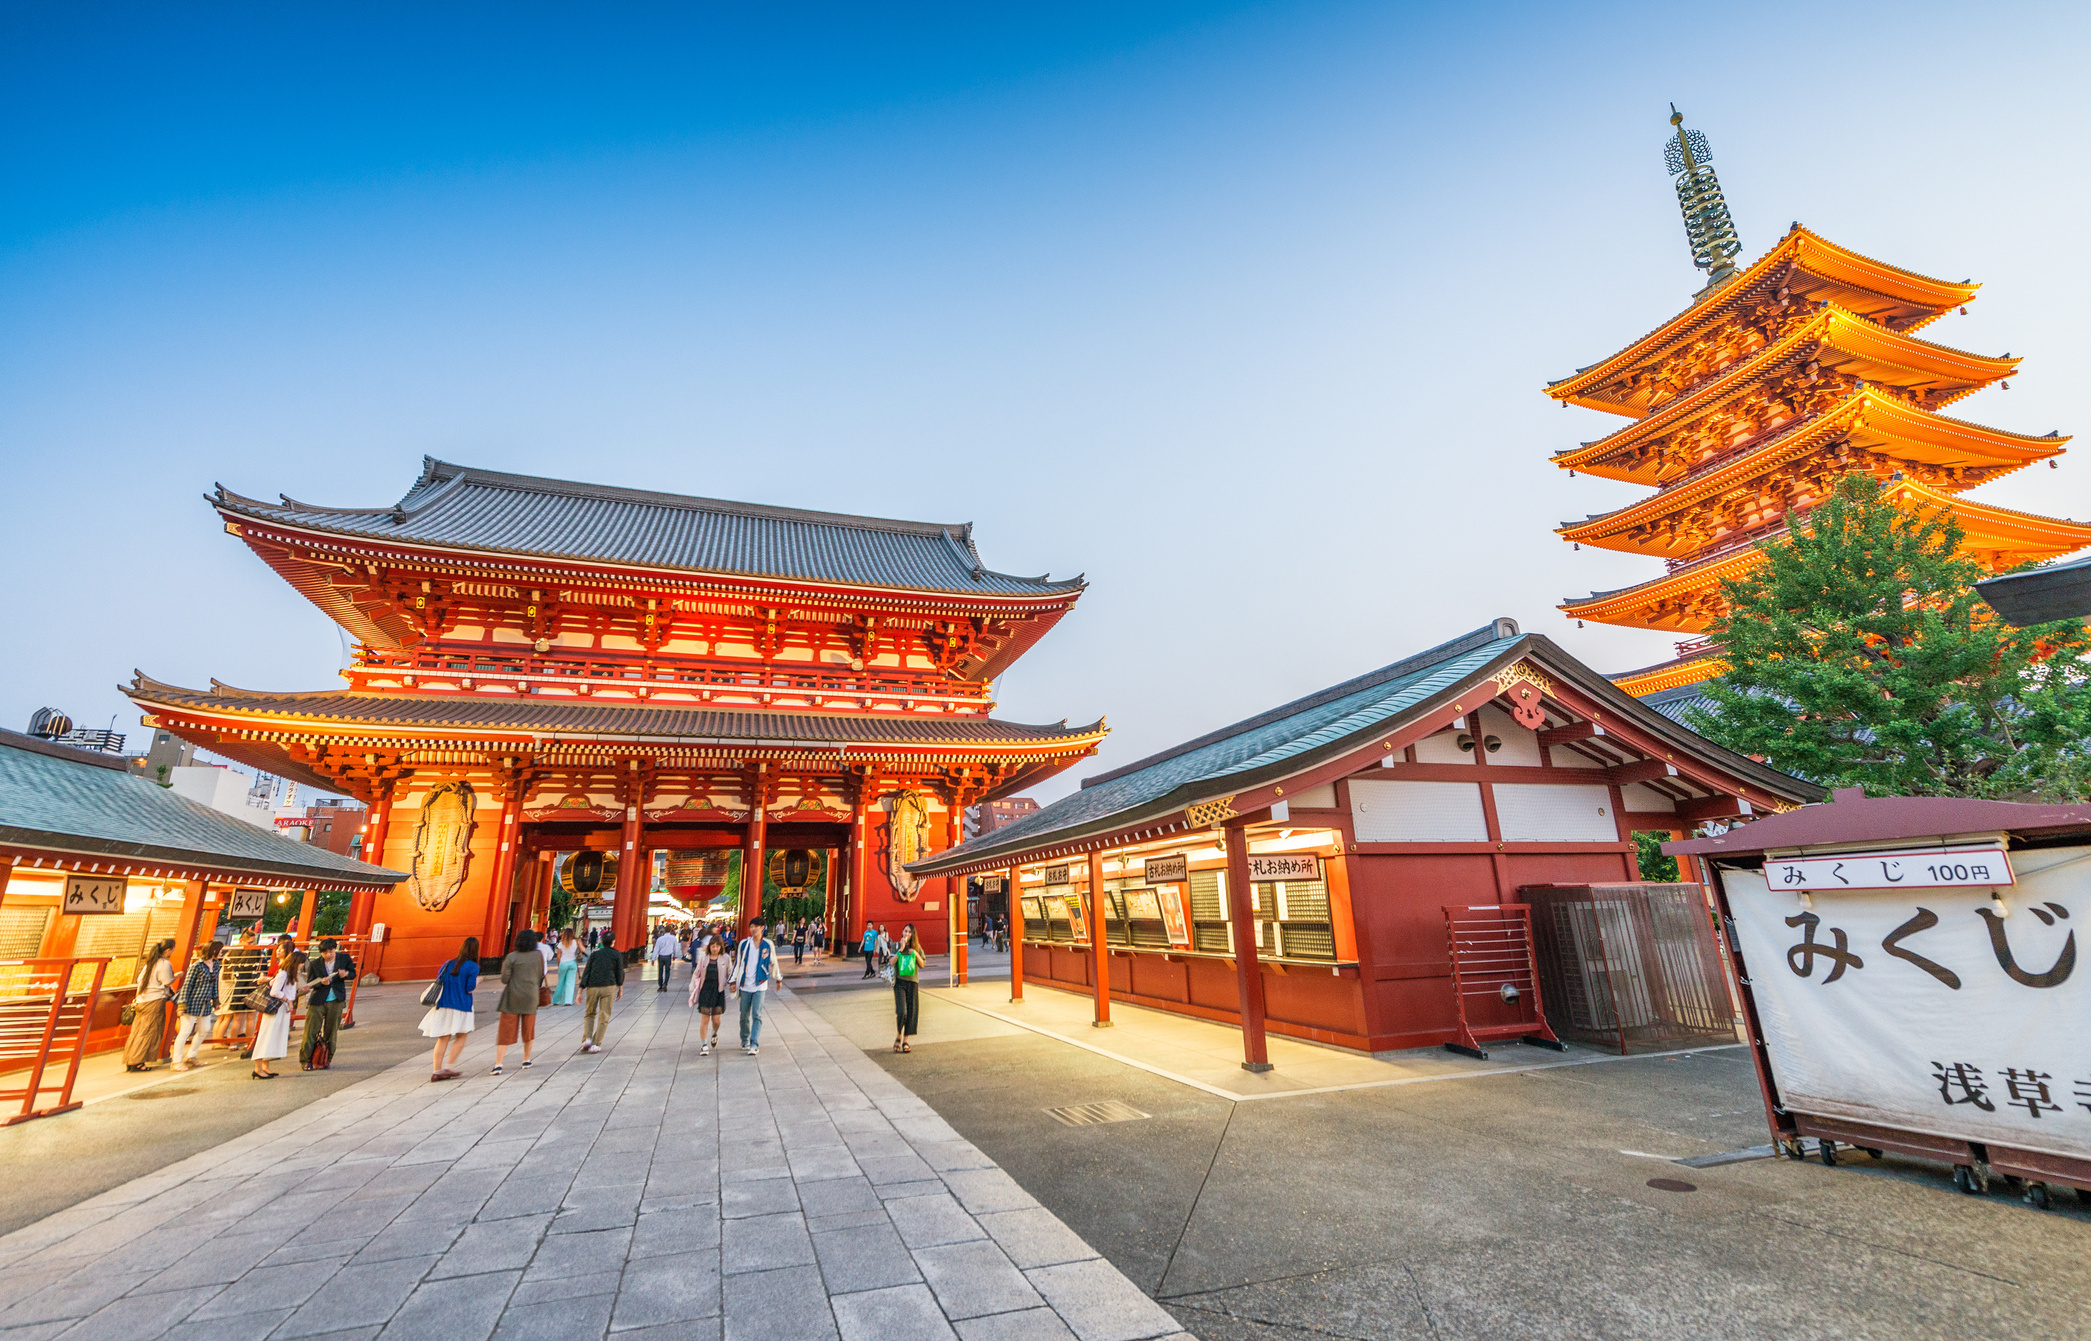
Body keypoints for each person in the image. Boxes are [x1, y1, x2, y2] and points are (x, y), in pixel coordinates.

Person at [420, 936, 480, 1081]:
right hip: (461, 1005)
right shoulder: (473, 966)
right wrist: (479, 980)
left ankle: (436, 1070)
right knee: (461, 1035)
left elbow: (439, 979)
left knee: (443, 1039)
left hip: (443, 1005)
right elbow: (469, 988)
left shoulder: (447, 963)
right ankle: (449, 1066)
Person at [493, 929, 546, 1074]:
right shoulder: (538, 956)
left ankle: (499, 1064)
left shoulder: (511, 957)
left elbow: (504, 979)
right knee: (528, 1030)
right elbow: (541, 973)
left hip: (512, 997)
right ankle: (526, 1059)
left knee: (505, 1031)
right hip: (531, 997)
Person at [300, 938, 355, 1070]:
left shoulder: (344, 959)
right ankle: (306, 1060)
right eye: (324, 953)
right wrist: (320, 983)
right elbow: (311, 981)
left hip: (336, 999)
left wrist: (345, 974)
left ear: (335, 949)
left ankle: (326, 1059)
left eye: (330, 952)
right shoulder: (315, 964)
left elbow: (353, 973)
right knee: (311, 1030)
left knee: (331, 1032)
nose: (328, 955)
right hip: (318, 999)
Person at [124, 939, 177, 1071]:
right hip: (154, 1001)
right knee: (148, 1032)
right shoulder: (164, 963)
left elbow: (139, 980)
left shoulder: (150, 963)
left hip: (141, 1001)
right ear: (167, 950)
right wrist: (177, 976)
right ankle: (138, 1062)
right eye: (173, 949)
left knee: (137, 1031)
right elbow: (167, 981)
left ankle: (130, 1060)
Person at [251, 948, 305, 1079]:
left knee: (273, 1037)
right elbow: (274, 992)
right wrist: (288, 1000)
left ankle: (265, 1067)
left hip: (282, 1009)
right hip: (276, 1009)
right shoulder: (283, 974)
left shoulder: (287, 974)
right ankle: (258, 1068)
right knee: (267, 1037)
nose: (302, 965)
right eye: (301, 963)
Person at [727, 917, 776, 1054]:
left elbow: (773, 962)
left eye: (756, 926)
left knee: (757, 1014)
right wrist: (732, 981)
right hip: (745, 984)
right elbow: (738, 963)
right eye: (751, 926)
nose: (753, 929)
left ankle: (754, 1043)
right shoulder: (744, 944)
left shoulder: (767, 944)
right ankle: (744, 1039)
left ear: (762, 928)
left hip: (760, 984)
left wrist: (778, 977)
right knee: (744, 1014)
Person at [170, 941, 221, 1072]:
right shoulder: (196, 966)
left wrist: (216, 1001)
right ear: (214, 951)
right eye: (220, 950)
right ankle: (176, 1061)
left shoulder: (216, 965)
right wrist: (181, 1005)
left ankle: (191, 1055)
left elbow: (214, 984)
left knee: (204, 1029)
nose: (222, 953)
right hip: (192, 1002)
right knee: (185, 1031)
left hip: (205, 1003)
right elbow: (187, 986)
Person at [213, 929, 265, 1054]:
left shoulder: (233, 953)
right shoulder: (257, 952)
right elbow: (262, 969)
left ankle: (233, 1043)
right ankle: (248, 1042)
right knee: (251, 1018)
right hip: (252, 985)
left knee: (237, 1018)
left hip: (238, 986)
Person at [578, 933, 624, 1053]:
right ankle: (596, 1043)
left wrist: (580, 990)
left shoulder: (595, 954)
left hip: (592, 986)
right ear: (613, 941)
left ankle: (587, 1039)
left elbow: (587, 971)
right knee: (604, 1015)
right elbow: (620, 972)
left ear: (602, 942)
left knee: (589, 1013)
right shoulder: (616, 954)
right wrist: (620, 988)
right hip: (609, 986)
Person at [688, 934, 730, 1055]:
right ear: (709, 947)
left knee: (716, 1019)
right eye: (713, 946)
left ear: (720, 947)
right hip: (705, 990)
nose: (715, 948)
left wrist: (733, 985)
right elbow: (697, 973)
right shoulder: (704, 959)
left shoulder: (725, 959)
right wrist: (692, 987)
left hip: (718, 991)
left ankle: (714, 1033)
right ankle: (704, 1044)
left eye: (717, 946)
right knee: (704, 1018)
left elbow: (730, 973)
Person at [891, 926, 922, 1054]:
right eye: (905, 931)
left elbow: (922, 964)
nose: (907, 934)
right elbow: (891, 962)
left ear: (913, 934)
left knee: (911, 1012)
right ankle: (898, 1035)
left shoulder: (917, 947)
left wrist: (915, 953)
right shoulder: (896, 946)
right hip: (899, 982)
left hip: (912, 982)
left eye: (909, 932)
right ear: (902, 932)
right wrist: (901, 950)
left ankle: (905, 1040)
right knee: (902, 1011)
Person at [553, 928, 581, 1005]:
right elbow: (582, 950)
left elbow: (558, 956)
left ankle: (556, 1000)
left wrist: (559, 965)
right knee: (570, 983)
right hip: (572, 963)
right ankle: (568, 1001)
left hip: (563, 963)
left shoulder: (561, 944)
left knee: (560, 982)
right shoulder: (576, 942)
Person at [654, 925, 679, 992]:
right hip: (668, 956)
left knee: (660, 971)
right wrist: (675, 955)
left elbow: (656, 948)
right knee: (667, 971)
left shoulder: (660, 939)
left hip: (661, 956)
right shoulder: (673, 938)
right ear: (671, 930)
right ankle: (665, 983)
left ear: (664, 931)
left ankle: (660, 985)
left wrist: (653, 958)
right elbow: (675, 948)